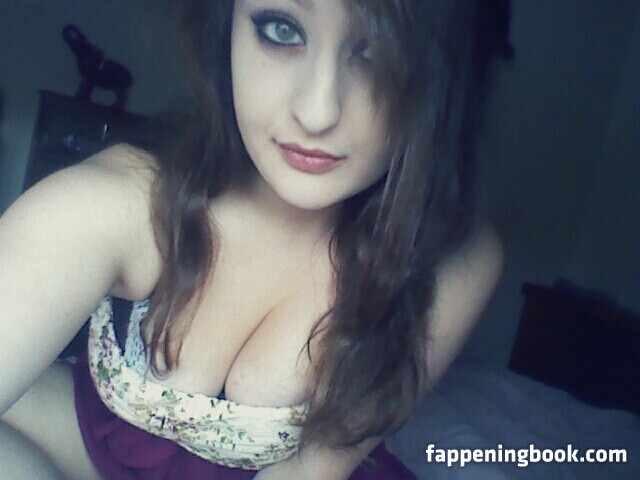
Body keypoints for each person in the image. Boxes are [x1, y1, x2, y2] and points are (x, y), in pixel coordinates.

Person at [0, 0, 512, 478]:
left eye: (379, 51)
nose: (317, 112)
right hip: (90, 446)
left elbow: (313, 470)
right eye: (281, 30)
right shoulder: (122, 201)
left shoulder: (451, 256)